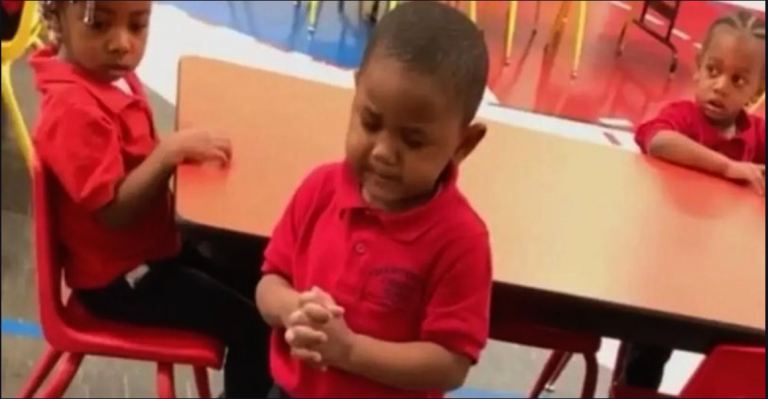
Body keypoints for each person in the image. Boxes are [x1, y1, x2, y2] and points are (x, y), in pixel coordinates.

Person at [31, 2, 270, 397]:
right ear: (57, 19)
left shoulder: (106, 77)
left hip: (150, 248)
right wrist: (168, 155)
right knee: (254, 329)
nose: (122, 44)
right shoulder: (72, 109)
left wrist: (170, 152)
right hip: (122, 281)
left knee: (262, 271)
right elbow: (112, 212)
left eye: (138, 26)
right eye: (99, 24)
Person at [255, 2, 493, 398]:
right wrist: (293, 310)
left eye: (412, 140)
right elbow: (270, 282)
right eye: (370, 122)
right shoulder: (320, 189)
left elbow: (449, 364)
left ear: (463, 144)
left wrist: (349, 350)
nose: (383, 151)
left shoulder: (461, 240)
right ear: (355, 92)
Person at [626, 10, 766, 390]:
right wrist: (726, 166)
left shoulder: (755, 132)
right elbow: (657, 139)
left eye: (738, 79)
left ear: (755, 92)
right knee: (649, 349)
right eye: (714, 71)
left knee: (744, 348)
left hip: (719, 273)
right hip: (664, 268)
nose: (721, 86)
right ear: (698, 68)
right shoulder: (684, 117)